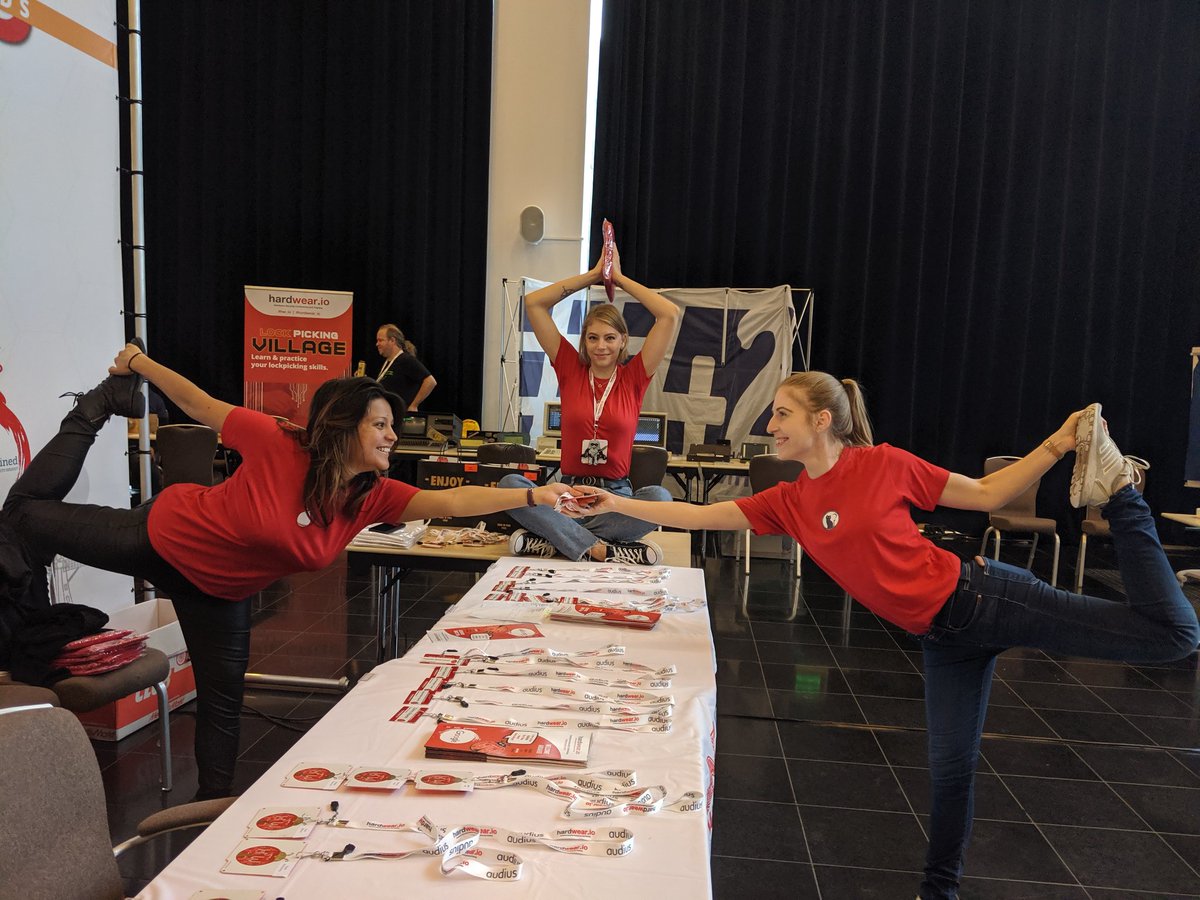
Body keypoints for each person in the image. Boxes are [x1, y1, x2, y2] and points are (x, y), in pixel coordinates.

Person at [572, 371, 1199, 900]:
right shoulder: (790, 499)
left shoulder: (885, 464)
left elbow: (985, 494)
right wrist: (613, 508)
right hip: (945, 637)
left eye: (783, 413)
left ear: (823, 420)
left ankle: (1120, 490)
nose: (771, 425)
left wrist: (1061, 443)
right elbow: (697, 513)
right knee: (951, 769)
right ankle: (938, 891)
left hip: (985, 598)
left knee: (1174, 636)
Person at [1, 341, 575, 799]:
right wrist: (138, 363)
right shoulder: (280, 441)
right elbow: (201, 405)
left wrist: (535, 496)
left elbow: (450, 503)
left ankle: (211, 810)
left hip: (221, 592)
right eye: (380, 424)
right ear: (345, 425)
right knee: (24, 517)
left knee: (223, 704)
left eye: (392, 427)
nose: (392, 435)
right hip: (159, 537)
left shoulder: (371, 497)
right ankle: (97, 404)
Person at [500, 241, 679, 566]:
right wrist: (595, 274)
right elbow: (535, 303)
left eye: (610, 338)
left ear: (623, 341)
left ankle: (556, 539)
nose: (601, 346)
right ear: (584, 340)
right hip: (565, 492)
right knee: (509, 485)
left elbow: (668, 314)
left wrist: (619, 278)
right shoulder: (570, 367)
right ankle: (599, 548)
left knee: (660, 498)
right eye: (593, 337)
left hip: (614, 496)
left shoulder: (635, 376)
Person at [374, 323, 436, 413]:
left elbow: (430, 381)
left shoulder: (405, 360)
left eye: (380, 340)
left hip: (399, 415)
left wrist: (414, 405)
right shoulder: (389, 362)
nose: (377, 344)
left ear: (392, 340)